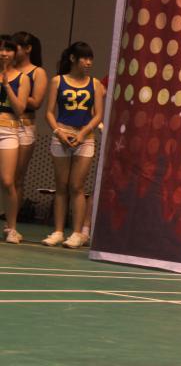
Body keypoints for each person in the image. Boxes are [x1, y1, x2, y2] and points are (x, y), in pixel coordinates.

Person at [42, 42, 104, 248]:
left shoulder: (95, 84)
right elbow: (49, 112)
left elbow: (98, 115)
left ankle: (77, 233)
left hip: (85, 138)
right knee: (61, 186)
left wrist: (83, 133)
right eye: (84, 58)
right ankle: (58, 231)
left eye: (90, 58)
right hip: (61, 134)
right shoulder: (57, 81)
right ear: (73, 59)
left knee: (77, 186)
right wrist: (58, 132)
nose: (88, 62)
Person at [12, 31, 46, 223]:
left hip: (24, 126)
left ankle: (11, 220)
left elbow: (37, 102)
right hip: (4, 122)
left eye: (14, 47)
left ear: (27, 49)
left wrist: (17, 93)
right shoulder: (7, 69)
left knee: (16, 177)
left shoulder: (37, 72)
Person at [0, 35, 29, 243]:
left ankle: (11, 228)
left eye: (8, 49)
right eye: (1, 49)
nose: (4, 53)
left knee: (8, 180)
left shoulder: (22, 78)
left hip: (9, 130)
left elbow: (20, 109)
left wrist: (7, 85)